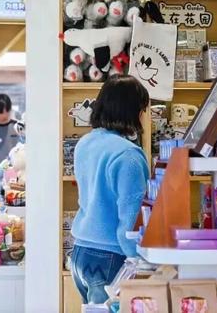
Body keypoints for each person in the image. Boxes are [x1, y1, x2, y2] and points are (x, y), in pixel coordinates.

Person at [70, 74, 150, 305]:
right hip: (111, 256)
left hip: (80, 252)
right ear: (133, 111)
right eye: (143, 109)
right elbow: (130, 220)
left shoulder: (85, 143)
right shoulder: (128, 155)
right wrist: (141, 261)